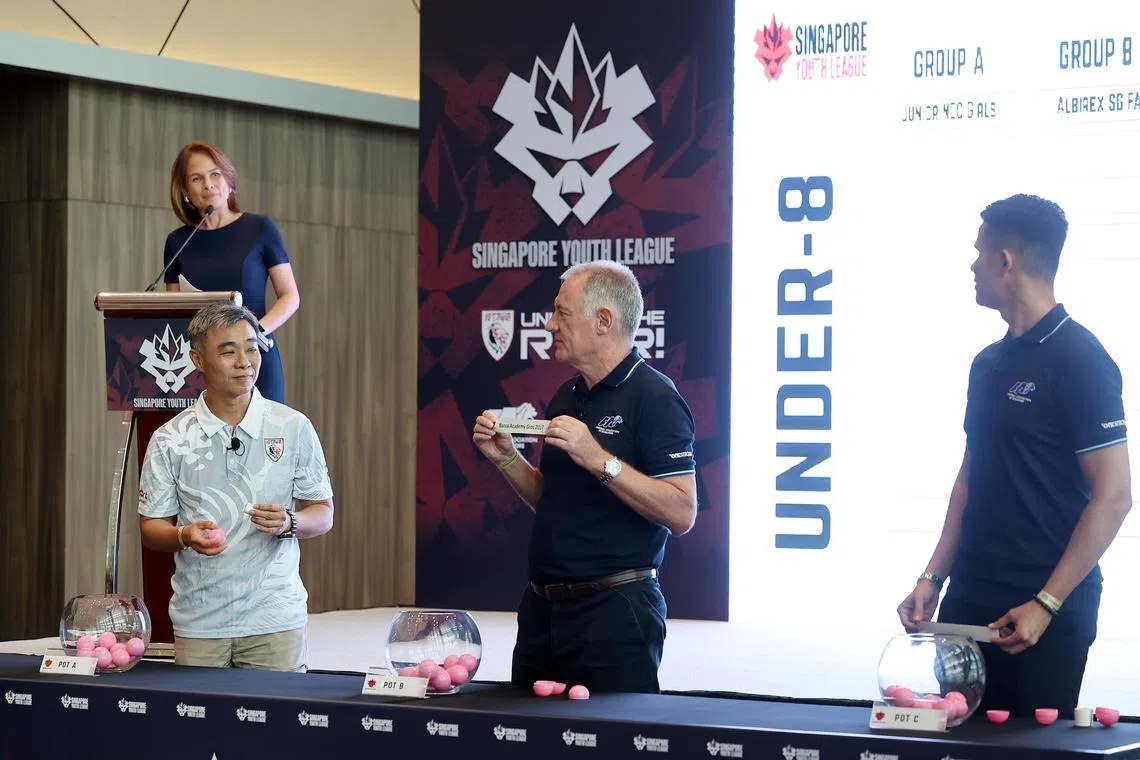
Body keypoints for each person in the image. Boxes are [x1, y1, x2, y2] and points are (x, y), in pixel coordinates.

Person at [897, 194, 1131, 718]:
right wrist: (932, 578)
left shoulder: (1082, 359)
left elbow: (1114, 498)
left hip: (1044, 613)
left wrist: (1046, 603)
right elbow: (969, 481)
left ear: (1005, 260)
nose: (972, 266)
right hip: (969, 604)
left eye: (979, 252)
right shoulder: (988, 364)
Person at [472, 261, 698, 694]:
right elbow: (552, 499)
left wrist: (598, 457)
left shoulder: (656, 398)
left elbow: (682, 512)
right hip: (542, 611)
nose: (549, 323)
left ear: (603, 320)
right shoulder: (567, 394)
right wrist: (506, 460)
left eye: (561, 312)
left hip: (615, 613)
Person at [138, 301, 334, 671]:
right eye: (228, 351)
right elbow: (151, 528)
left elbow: (323, 514)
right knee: (198, 726)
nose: (245, 361)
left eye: (251, 347)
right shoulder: (170, 438)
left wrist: (290, 522)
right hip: (200, 621)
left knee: (277, 727)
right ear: (197, 359)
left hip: (275, 618)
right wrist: (185, 535)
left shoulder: (293, 427)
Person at [163, 141, 300, 403]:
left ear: (229, 180)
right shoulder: (178, 242)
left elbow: (290, 296)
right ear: (185, 191)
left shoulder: (260, 229)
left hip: (254, 357)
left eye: (215, 174)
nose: (208, 184)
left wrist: (254, 333)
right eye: (197, 178)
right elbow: (174, 310)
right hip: (202, 368)